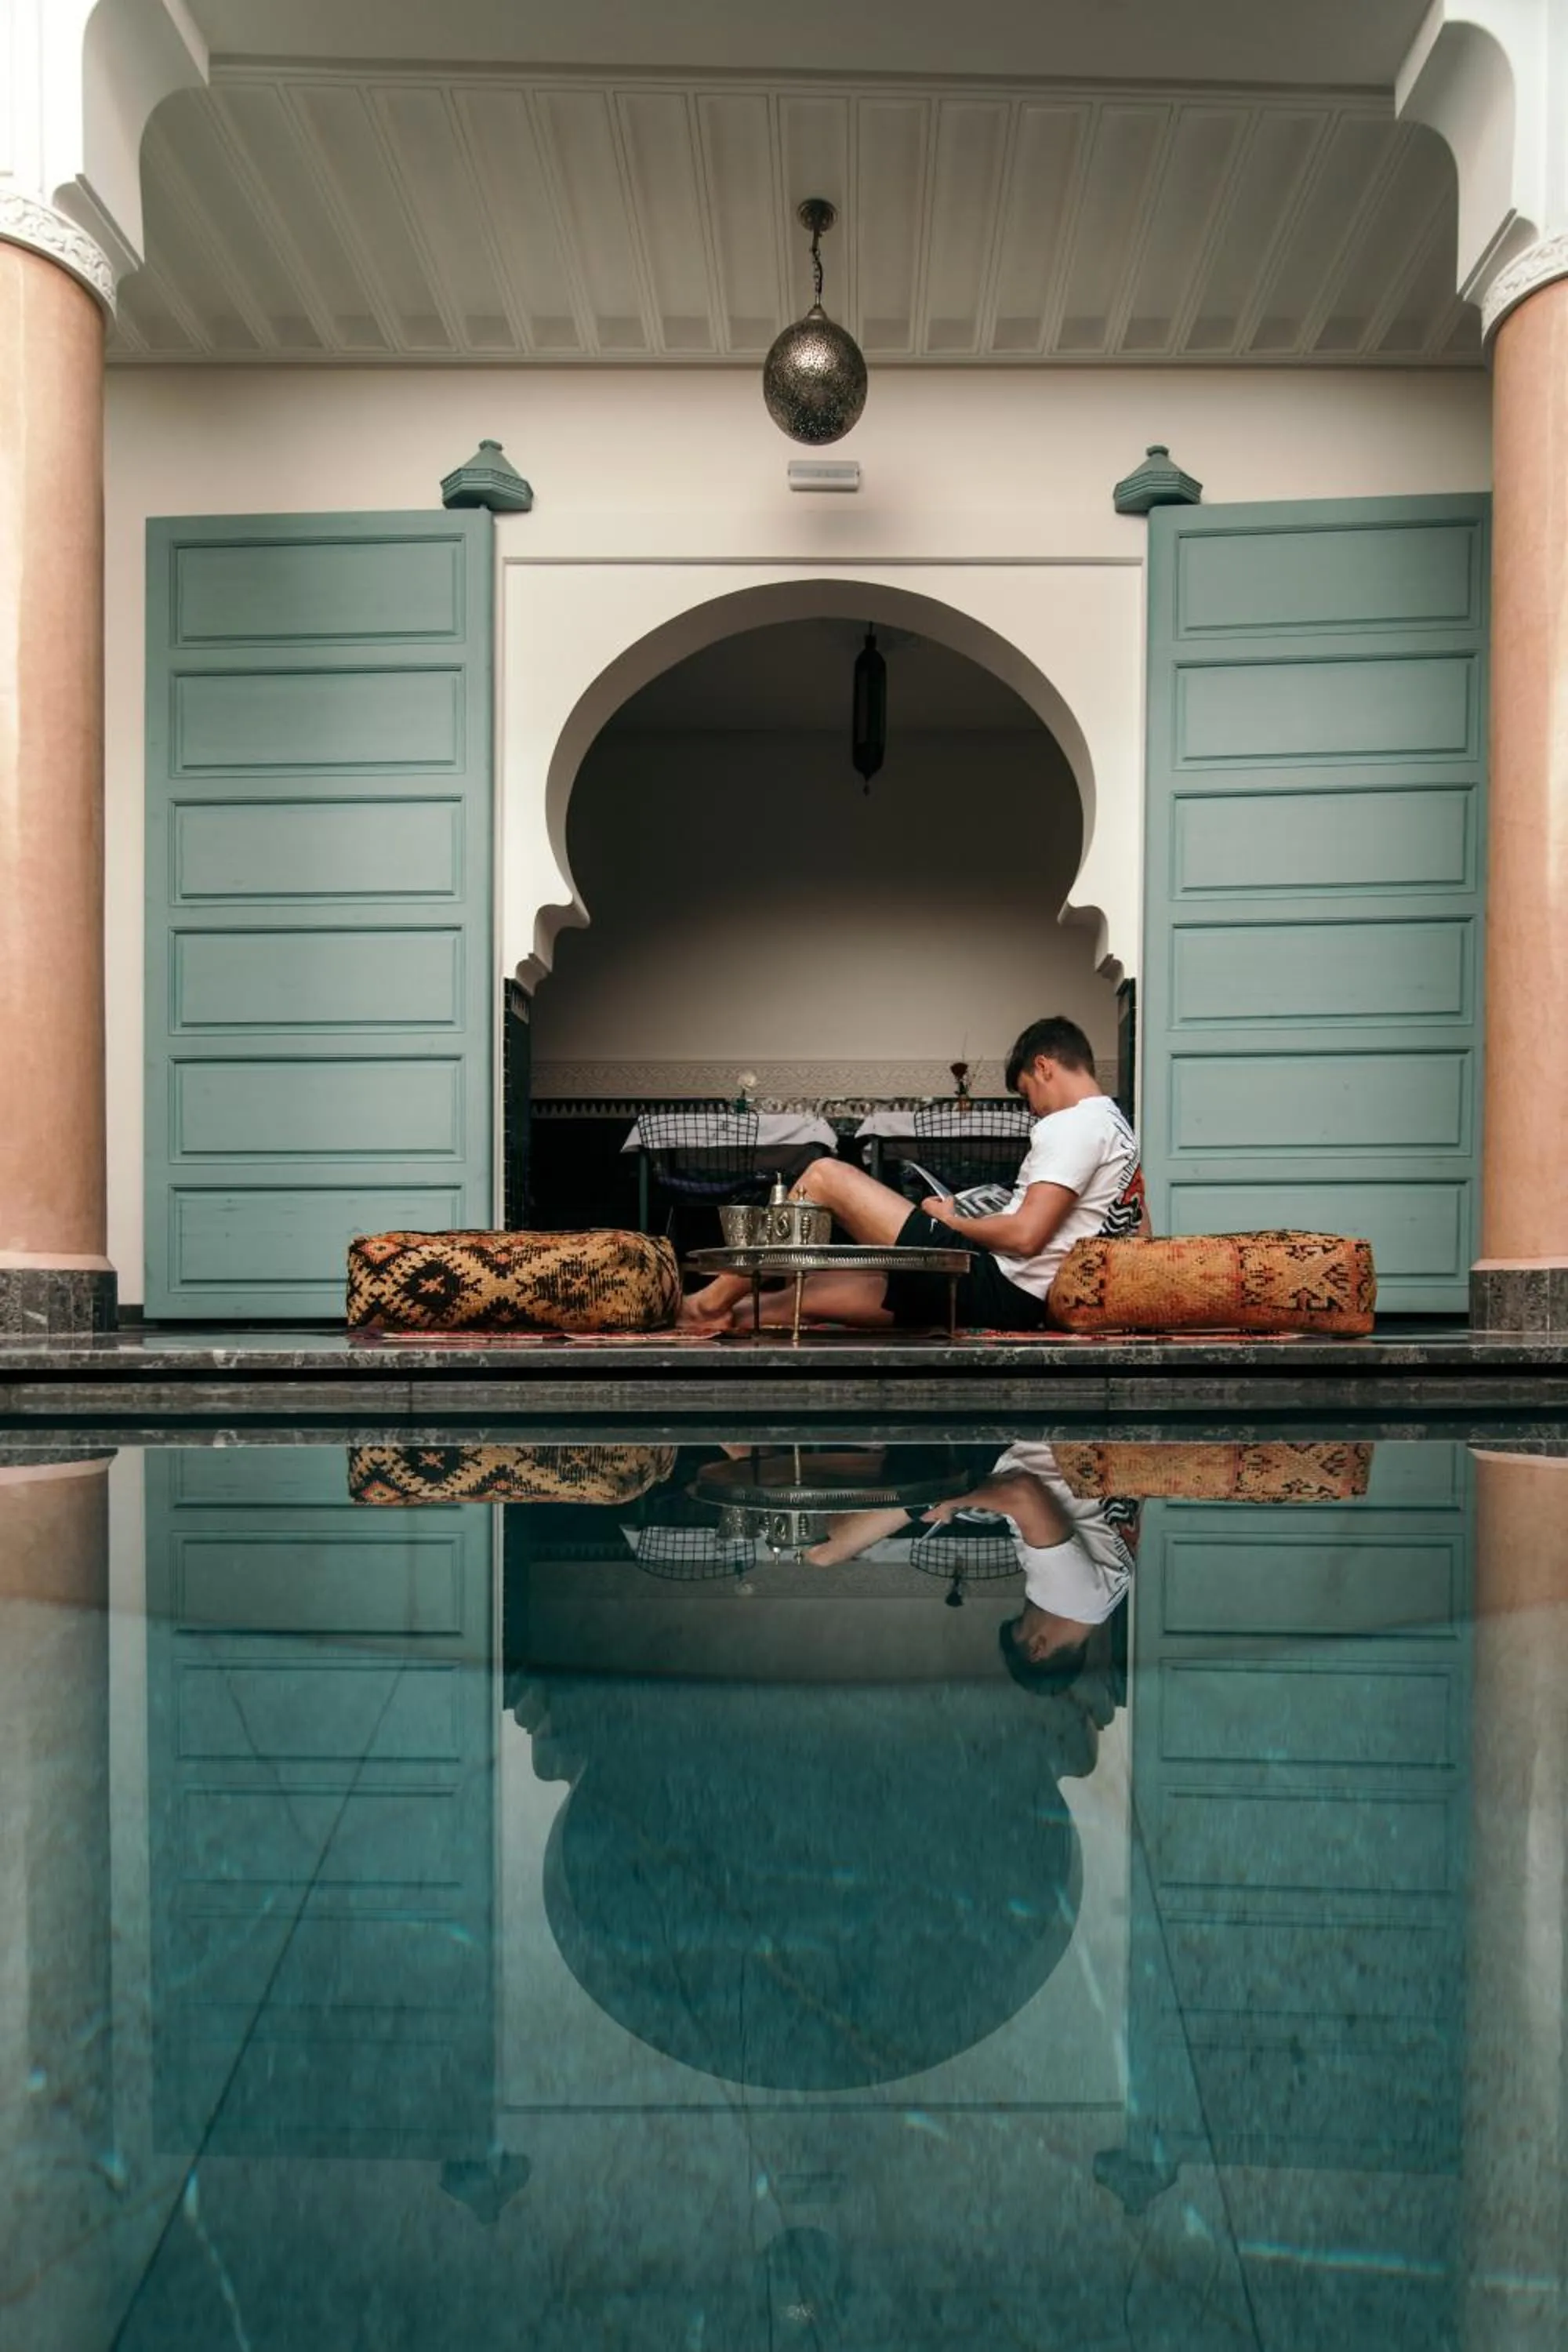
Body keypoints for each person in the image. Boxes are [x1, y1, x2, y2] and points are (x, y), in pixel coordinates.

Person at [678, 1013, 1149, 1332]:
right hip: (1023, 1299)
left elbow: (1026, 1237)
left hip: (998, 1285)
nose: (1033, 1110)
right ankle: (728, 1315)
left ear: (1044, 1067)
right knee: (821, 1290)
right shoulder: (1117, 1127)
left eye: (1027, 1095)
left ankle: (710, 1301)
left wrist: (952, 1219)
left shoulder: (1073, 1124)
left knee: (823, 1176)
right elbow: (1139, 1229)